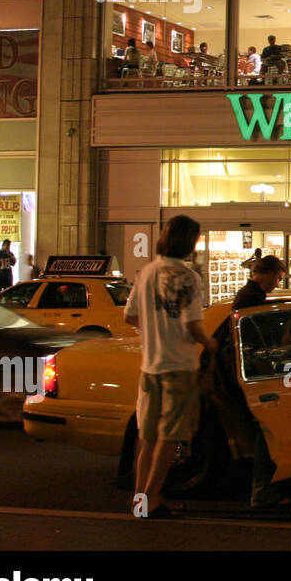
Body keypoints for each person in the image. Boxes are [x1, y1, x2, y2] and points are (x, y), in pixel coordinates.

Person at [125, 215, 216, 519]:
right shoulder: (189, 277)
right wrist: (212, 344)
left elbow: (130, 316)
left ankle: (141, 500)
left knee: (147, 438)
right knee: (169, 437)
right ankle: (151, 500)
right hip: (179, 367)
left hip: (150, 367)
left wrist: (152, 333)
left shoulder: (147, 272)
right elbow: (193, 326)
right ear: (190, 242)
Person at [226, 255, 291, 508]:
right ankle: (262, 490)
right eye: (276, 278)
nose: (276, 284)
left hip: (250, 371)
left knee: (266, 432)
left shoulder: (250, 294)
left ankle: (263, 488)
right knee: (268, 430)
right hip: (254, 374)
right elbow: (251, 341)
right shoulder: (251, 298)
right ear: (265, 273)